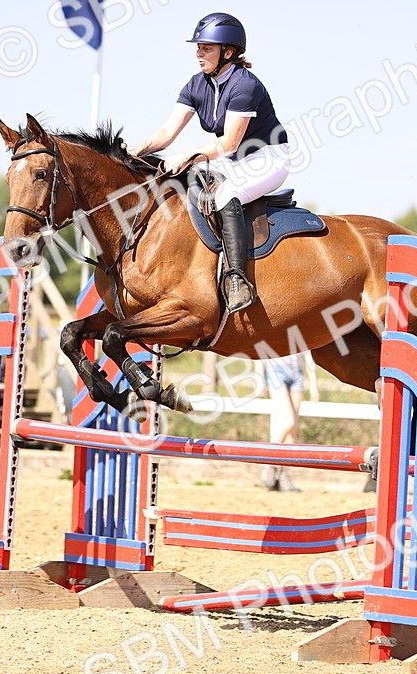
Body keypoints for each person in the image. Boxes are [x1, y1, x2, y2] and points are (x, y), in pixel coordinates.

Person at [129, 12, 291, 313]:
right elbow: (166, 133)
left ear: (227, 52)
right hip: (232, 160)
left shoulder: (245, 86)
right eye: (198, 47)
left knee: (226, 195)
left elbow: (229, 142)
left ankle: (236, 279)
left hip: (266, 158)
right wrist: (136, 150)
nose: (198, 53)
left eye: (206, 48)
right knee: (185, 191)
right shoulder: (196, 84)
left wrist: (186, 156)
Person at [260, 352, 306, 492]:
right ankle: (268, 463)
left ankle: (283, 475)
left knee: (292, 431)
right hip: (276, 371)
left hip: (297, 372)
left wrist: (314, 382)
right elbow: (259, 350)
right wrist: (261, 380)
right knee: (288, 421)